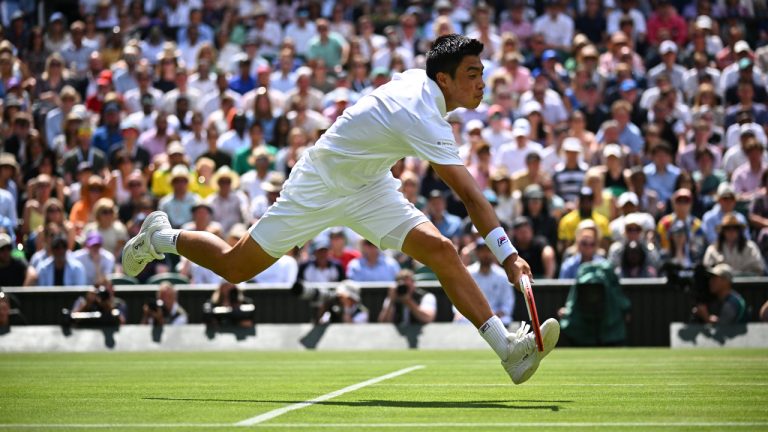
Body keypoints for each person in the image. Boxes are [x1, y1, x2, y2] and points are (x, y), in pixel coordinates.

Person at [122, 35, 558, 385]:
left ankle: (509, 353)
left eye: (482, 73)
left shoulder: (421, 84)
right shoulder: (422, 114)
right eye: (472, 73)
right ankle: (161, 237)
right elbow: (471, 196)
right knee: (235, 267)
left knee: (442, 250)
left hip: (370, 188)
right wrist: (508, 256)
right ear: (444, 80)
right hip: (319, 184)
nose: (482, 82)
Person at [454, 238, 514, 326]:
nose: (485, 254)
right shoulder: (468, 273)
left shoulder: (502, 275)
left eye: (488, 251)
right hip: (471, 318)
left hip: (497, 319)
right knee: (459, 320)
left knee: (506, 320)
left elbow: (507, 304)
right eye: (482, 251)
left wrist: (494, 317)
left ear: (493, 253)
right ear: (477, 253)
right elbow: (459, 299)